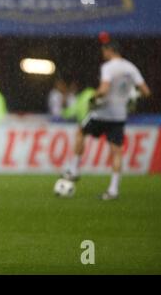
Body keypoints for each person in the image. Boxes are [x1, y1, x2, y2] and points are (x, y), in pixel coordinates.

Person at [62, 40, 151, 200]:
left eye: (104, 51)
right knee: (116, 152)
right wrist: (132, 97)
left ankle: (74, 169)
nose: (103, 54)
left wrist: (93, 97)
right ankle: (113, 189)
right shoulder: (131, 68)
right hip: (119, 116)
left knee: (81, 132)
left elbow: (104, 89)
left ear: (110, 51)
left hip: (103, 113)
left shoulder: (108, 67)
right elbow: (145, 91)